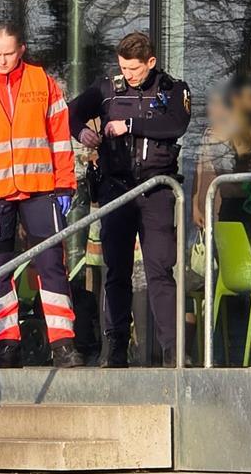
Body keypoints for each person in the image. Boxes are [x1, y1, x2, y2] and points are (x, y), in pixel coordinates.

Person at [0, 21, 83, 369]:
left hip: (40, 190)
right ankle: (7, 344)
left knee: (51, 264)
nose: (3, 61)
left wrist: (65, 183)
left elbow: (60, 138)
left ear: (21, 49)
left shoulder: (43, 83)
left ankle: (63, 343)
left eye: (9, 54)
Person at [68, 32, 192, 367]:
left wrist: (130, 125)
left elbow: (176, 124)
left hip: (155, 191)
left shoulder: (172, 88)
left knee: (160, 270)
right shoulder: (108, 88)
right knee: (116, 272)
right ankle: (116, 349)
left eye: (135, 69)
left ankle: (173, 352)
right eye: (124, 68)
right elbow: (72, 112)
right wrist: (82, 132)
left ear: (151, 63)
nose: (129, 75)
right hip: (116, 189)